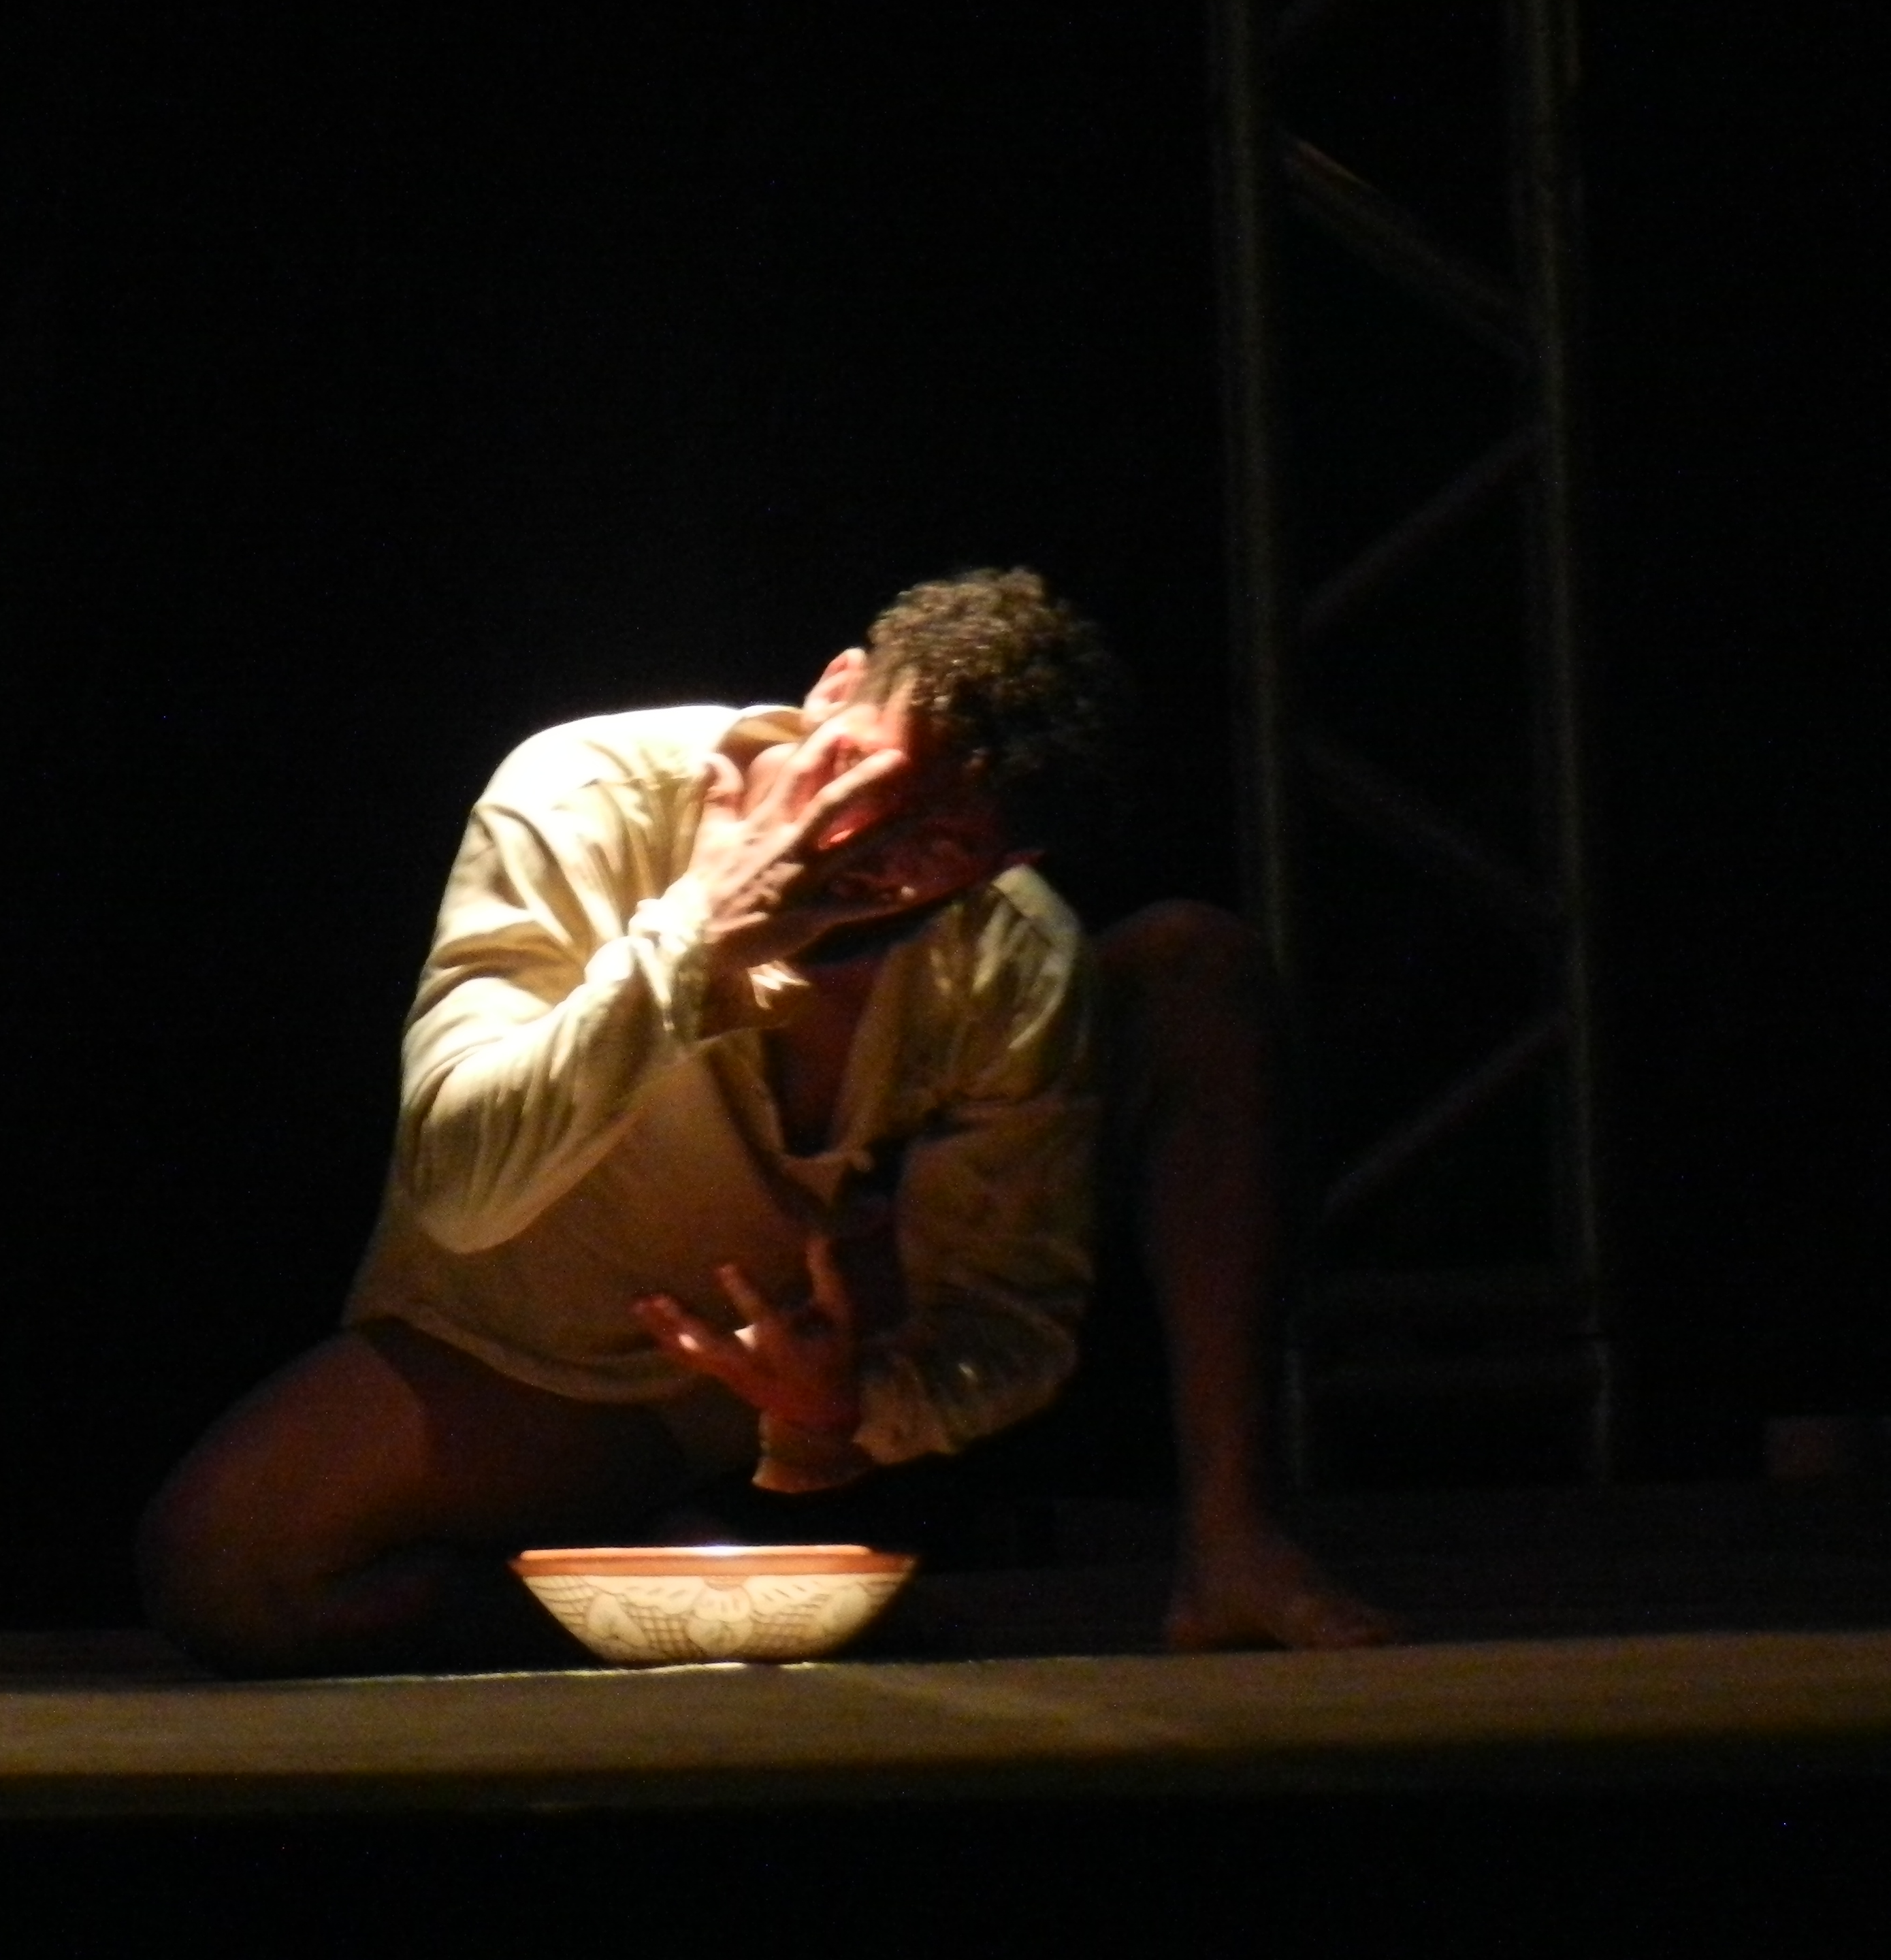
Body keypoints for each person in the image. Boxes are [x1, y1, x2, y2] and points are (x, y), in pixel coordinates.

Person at [140, 569, 1392, 1675]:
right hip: (547, 1361)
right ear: (832, 688)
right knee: (234, 1570)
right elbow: (463, 1189)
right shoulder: (585, 792)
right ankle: (678, 1596)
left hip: (806, 1396)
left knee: (1195, 974)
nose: (866, 845)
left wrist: (848, 1408)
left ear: (999, 864)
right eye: (863, 776)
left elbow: (1004, 1317)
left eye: (938, 841)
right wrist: (699, 929)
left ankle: (1232, 1542)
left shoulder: (1010, 956)